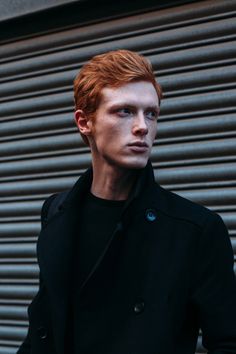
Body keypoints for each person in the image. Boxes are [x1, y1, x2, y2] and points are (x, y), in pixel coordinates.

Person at [17, 50, 236, 354]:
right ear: (84, 122)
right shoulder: (56, 212)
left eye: (151, 113)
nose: (142, 127)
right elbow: (43, 330)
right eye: (125, 111)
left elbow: (228, 342)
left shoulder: (196, 229)